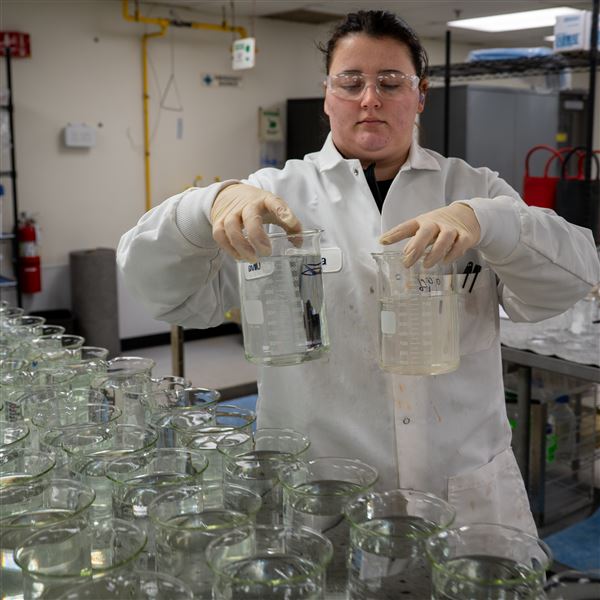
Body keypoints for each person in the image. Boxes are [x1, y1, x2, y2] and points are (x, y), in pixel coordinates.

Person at [117, 10, 600, 534]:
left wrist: (487, 221)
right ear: (327, 96)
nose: (370, 99)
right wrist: (204, 206)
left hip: (461, 489)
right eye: (350, 83)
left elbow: (572, 278)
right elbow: (167, 296)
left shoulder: (474, 188)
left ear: (420, 95)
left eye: (391, 83)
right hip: (322, 491)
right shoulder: (275, 195)